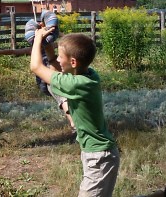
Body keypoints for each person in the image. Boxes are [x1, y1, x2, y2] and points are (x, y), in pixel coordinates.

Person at [30, 29, 119, 197]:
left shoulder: (76, 85)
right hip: (99, 154)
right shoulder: (88, 76)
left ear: (73, 62)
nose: (57, 59)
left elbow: (36, 67)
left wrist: (37, 39)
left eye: (60, 57)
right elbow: (56, 72)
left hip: (99, 157)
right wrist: (48, 47)